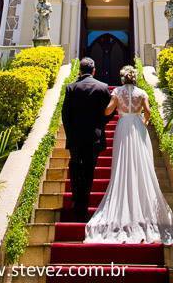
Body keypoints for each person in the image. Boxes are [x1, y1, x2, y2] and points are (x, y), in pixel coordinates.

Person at [84, 64, 173, 245]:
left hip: (123, 126)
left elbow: (108, 110)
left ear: (123, 78)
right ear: (135, 77)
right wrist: (144, 122)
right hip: (138, 127)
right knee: (141, 164)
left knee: (122, 163)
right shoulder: (141, 93)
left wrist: (109, 109)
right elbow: (148, 111)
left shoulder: (117, 92)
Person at [62, 57, 111, 221]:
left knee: (75, 167)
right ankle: (84, 202)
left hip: (76, 137)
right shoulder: (103, 87)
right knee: (89, 170)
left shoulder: (71, 88)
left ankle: (77, 200)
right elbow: (110, 112)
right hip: (94, 138)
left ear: (80, 71)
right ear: (94, 70)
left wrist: (70, 134)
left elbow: (65, 115)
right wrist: (100, 125)